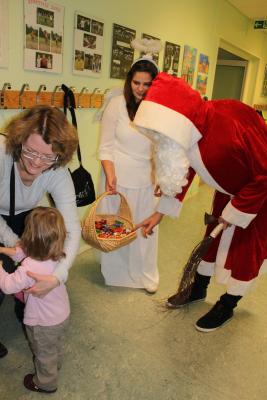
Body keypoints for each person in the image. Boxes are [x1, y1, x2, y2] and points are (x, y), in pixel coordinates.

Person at [134, 72, 267, 332]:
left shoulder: (230, 126)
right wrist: (159, 213)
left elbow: (265, 173)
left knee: (244, 255)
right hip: (227, 193)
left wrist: (236, 212)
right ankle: (197, 289)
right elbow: (183, 170)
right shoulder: (186, 132)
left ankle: (228, 304)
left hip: (258, 199)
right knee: (211, 245)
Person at [0, 105, 81, 356]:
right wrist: (16, 244)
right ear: (19, 140)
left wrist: (59, 276)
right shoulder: (1, 155)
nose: (36, 163)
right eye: (31, 151)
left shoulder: (57, 169)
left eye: (47, 157)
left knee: (36, 273)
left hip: (25, 215)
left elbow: (72, 227)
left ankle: (26, 312)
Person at [98, 44, 179, 293]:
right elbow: (105, 147)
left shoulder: (160, 110)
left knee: (145, 229)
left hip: (146, 178)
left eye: (146, 84)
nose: (141, 89)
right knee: (116, 227)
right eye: (136, 83)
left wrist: (161, 176)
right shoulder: (116, 104)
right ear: (129, 81)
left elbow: (164, 148)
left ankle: (144, 272)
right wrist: (111, 176)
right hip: (117, 177)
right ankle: (116, 271)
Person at [0, 207, 70, 393]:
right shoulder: (57, 254)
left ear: (29, 238)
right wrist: (2, 250)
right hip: (62, 314)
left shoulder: (29, 268)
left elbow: (7, 285)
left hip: (43, 323)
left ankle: (46, 382)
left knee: (43, 352)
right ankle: (56, 364)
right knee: (55, 345)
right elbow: (18, 252)